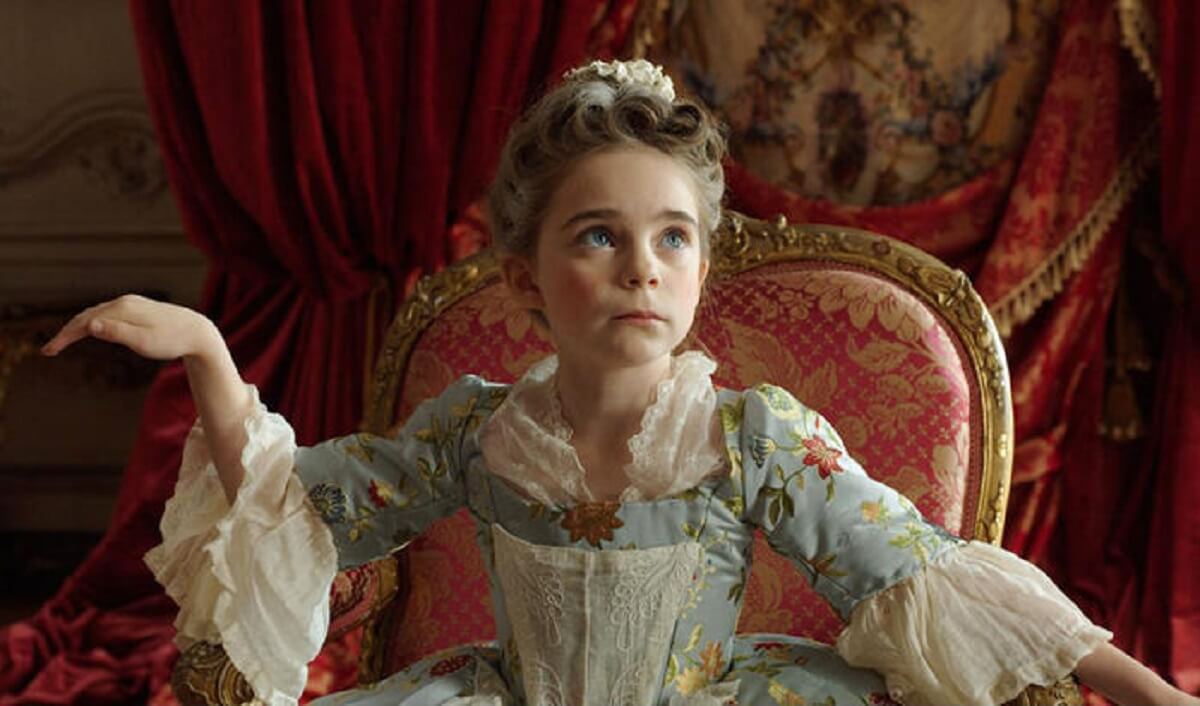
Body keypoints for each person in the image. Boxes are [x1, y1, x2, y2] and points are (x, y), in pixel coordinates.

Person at [42, 59, 1196, 706]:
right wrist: (209, 351)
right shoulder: (476, 433)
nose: (643, 266)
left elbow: (914, 566)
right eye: (598, 235)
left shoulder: (751, 436)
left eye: (672, 237)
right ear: (526, 277)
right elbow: (298, 503)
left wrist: (1148, 690)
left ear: (699, 264)